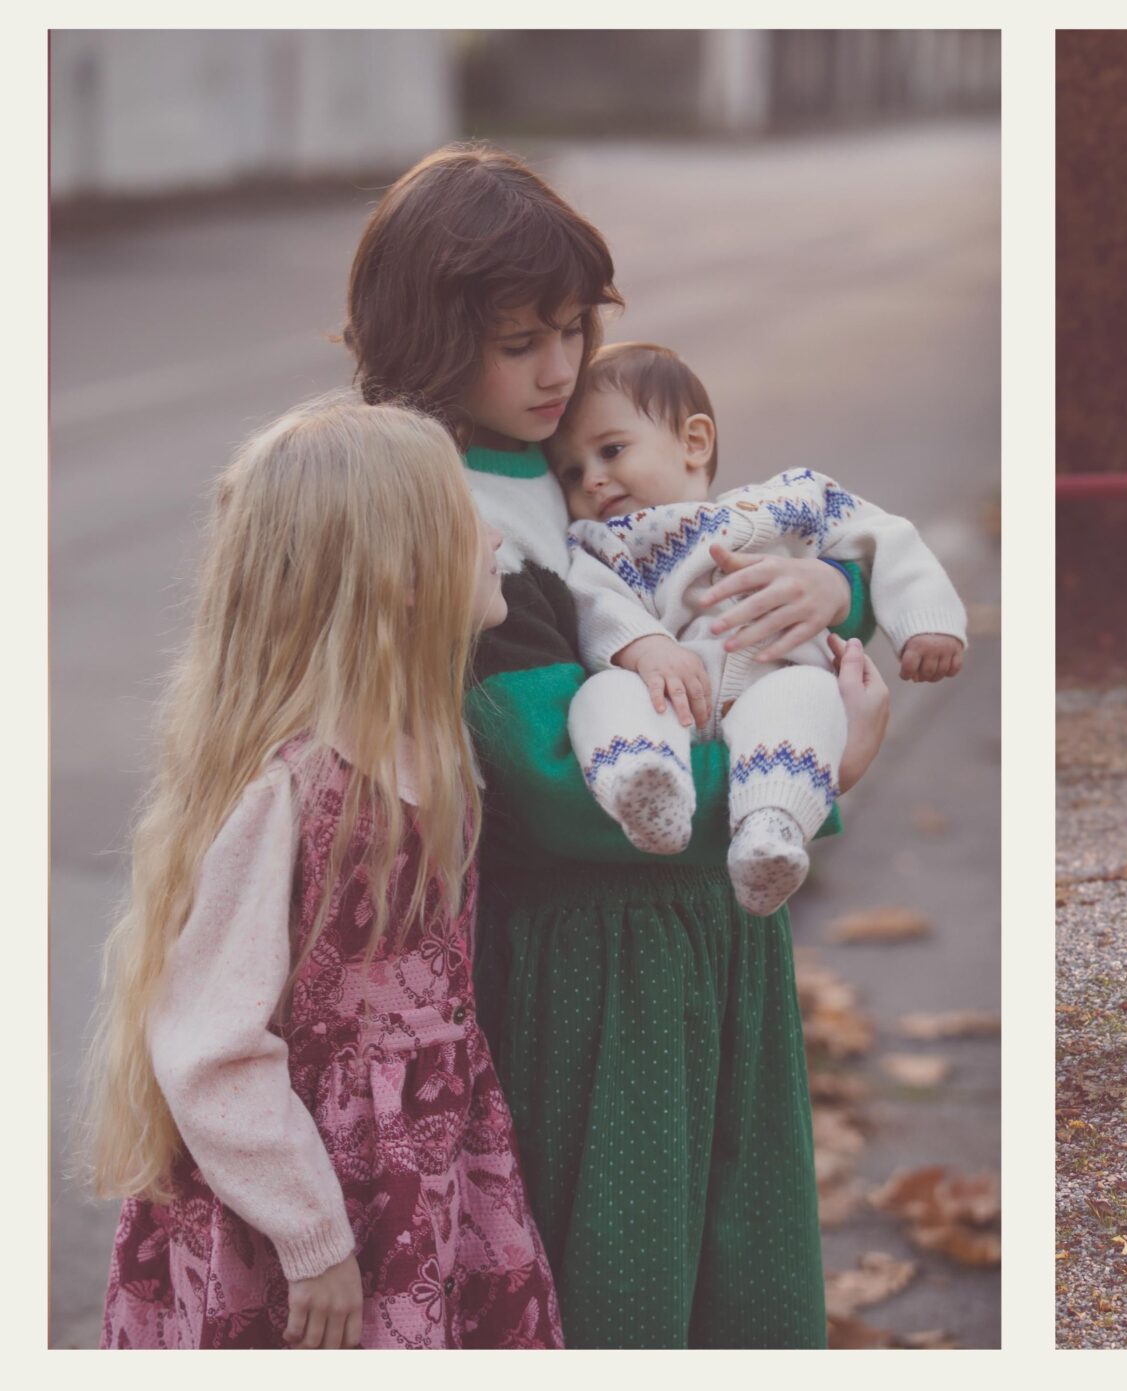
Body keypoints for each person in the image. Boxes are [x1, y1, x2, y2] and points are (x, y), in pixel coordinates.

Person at [341, 142, 889, 1347]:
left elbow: (731, 545)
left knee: (731, 1254)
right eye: (519, 340)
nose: (559, 368)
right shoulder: (453, 515)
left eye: (572, 328)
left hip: (688, 928)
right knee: (624, 1281)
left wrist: (832, 591)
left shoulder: (558, 456)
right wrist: (822, 776)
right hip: (592, 957)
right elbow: (558, 788)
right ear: (430, 339)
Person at [84, 397, 561, 1348]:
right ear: (400, 576)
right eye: (466, 519)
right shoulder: (297, 793)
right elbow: (210, 1044)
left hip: (427, 1174)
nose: (497, 536)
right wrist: (310, 1235)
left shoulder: (435, 747)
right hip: (308, 1210)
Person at [545, 340, 967, 912]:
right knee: (605, 692)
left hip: (772, 683)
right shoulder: (602, 543)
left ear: (694, 442)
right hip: (671, 703)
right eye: (572, 472)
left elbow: (884, 535)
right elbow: (594, 600)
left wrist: (926, 623)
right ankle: (644, 783)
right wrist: (642, 646)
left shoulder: (780, 502)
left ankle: (769, 828)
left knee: (808, 693)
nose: (592, 480)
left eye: (611, 450)